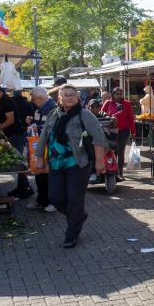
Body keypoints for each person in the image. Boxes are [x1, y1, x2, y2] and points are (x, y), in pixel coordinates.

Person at [34, 85, 106, 248]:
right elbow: (44, 135)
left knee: (74, 199)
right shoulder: (54, 114)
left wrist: (100, 161)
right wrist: (39, 157)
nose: (69, 97)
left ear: (78, 97)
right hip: (55, 164)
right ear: (59, 98)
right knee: (55, 197)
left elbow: (99, 138)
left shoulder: (84, 115)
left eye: (72, 95)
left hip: (78, 164)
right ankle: (78, 216)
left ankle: (71, 234)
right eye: (65, 95)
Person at [0, 82, 34, 199]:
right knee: (19, 163)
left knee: (20, 163)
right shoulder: (0, 101)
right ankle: (22, 187)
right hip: (11, 135)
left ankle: (26, 189)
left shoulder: (6, 101)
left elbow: (10, 120)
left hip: (17, 135)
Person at [25, 87, 59, 213]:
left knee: (50, 175)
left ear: (39, 98)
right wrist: (32, 121)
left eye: (33, 100)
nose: (33, 102)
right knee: (40, 174)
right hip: (39, 147)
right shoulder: (39, 110)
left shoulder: (54, 109)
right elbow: (38, 124)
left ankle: (53, 202)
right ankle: (41, 200)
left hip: (51, 147)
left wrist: (36, 126)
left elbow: (53, 128)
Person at [101, 87, 135, 181]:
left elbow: (131, 119)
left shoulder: (127, 104)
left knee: (120, 151)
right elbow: (101, 114)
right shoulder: (108, 103)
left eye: (120, 94)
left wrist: (133, 132)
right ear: (113, 94)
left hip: (123, 131)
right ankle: (111, 171)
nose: (118, 96)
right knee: (111, 151)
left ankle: (120, 172)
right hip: (110, 131)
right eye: (117, 94)